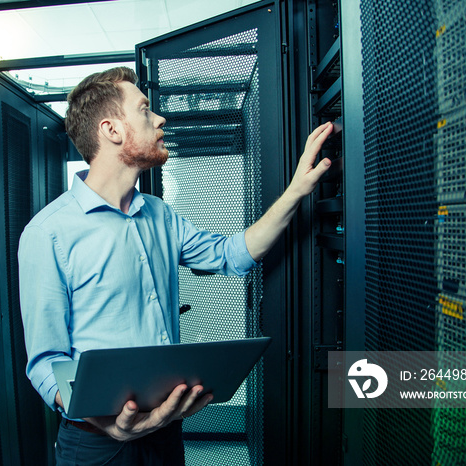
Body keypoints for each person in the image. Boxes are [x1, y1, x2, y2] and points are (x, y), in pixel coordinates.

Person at [18, 66, 332, 465]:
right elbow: (47, 362)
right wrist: (105, 423)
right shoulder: (48, 233)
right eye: (145, 110)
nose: (160, 118)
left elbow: (232, 254)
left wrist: (296, 190)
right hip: (96, 445)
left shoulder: (160, 215)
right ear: (112, 130)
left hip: (166, 432)